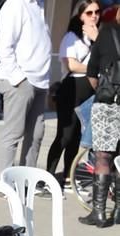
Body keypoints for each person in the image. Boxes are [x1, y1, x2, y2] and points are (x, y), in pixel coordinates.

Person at [46, 0, 101, 189]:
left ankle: (68, 176)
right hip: (72, 87)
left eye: (97, 12)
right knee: (65, 134)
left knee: (77, 135)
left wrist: (97, 40)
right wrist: (93, 68)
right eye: (89, 13)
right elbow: (71, 64)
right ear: (80, 15)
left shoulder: (97, 37)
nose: (94, 16)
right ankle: (49, 176)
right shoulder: (72, 37)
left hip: (88, 89)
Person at [0, 0, 52, 173]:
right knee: (13, 133)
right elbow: (3, 46)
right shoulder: (16, 4)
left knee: (36, 135)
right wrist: (18, 78)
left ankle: (26, 180)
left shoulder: (39, 6)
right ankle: (6, 185)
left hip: (40, 82)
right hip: (20, 81)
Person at [79, 5, 120, 227]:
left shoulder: (106, 33)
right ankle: (119, 211)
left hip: (108, 103)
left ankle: (100, 213)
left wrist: (103, 92)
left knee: (103, 156)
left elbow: (92, 72)